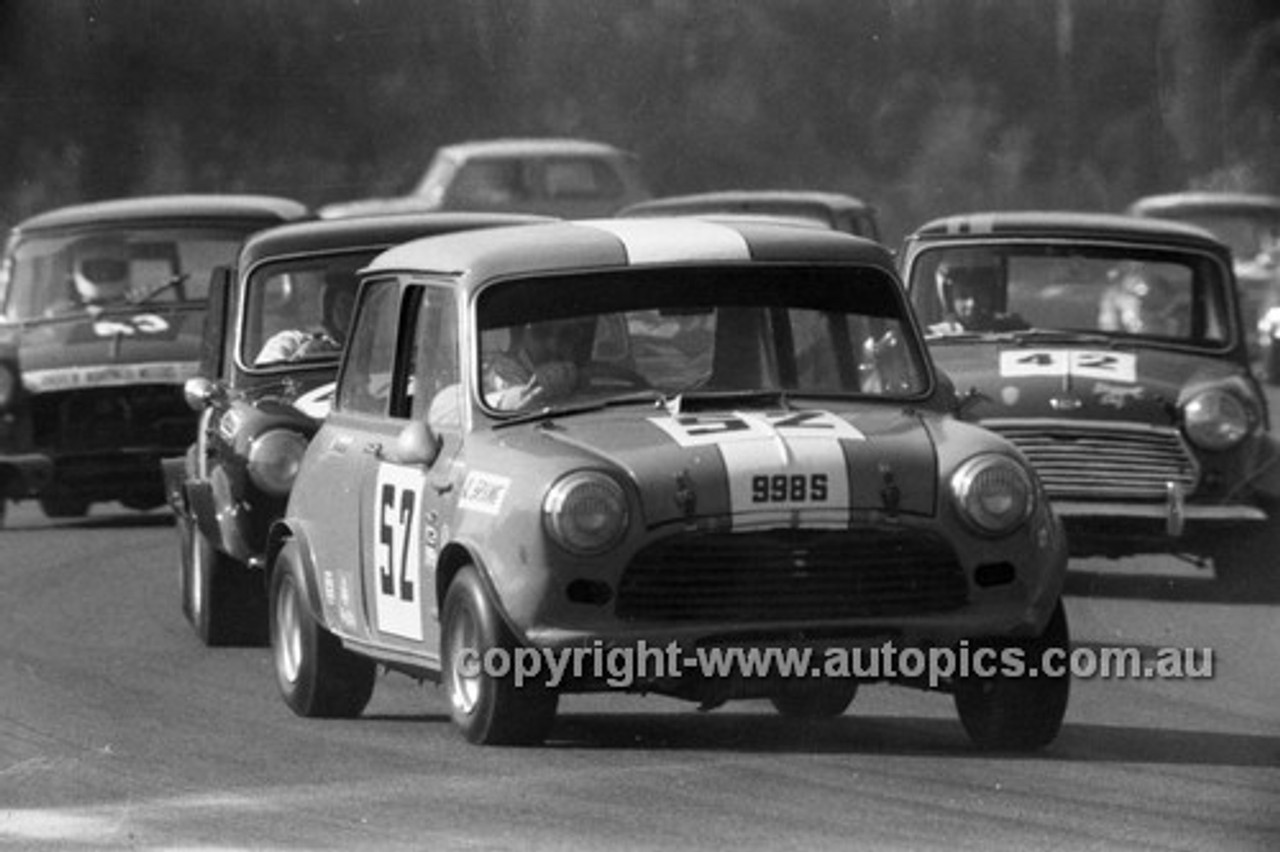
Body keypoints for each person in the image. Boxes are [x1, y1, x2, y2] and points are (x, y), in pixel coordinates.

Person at [482, 317, 591, 410]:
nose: (552, 345)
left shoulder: (588, 363)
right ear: (521, 334)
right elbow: (503, 399)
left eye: (567, 334)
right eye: (541, 332)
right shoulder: (503, 368)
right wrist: (531, 392)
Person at [255, 272, 357, 365]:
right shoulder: (290, 343)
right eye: (342, 304)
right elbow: (266, 376)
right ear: (329, 308)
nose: (346, 313)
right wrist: (305, 358)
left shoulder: (370, 354)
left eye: (353, 305)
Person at [930, 259, 1027, 333]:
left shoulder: (1013, 330)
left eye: (980, 294)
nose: (972, 303)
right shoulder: (935, 337)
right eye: (963, 296)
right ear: (949, 298)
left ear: (992, 296)